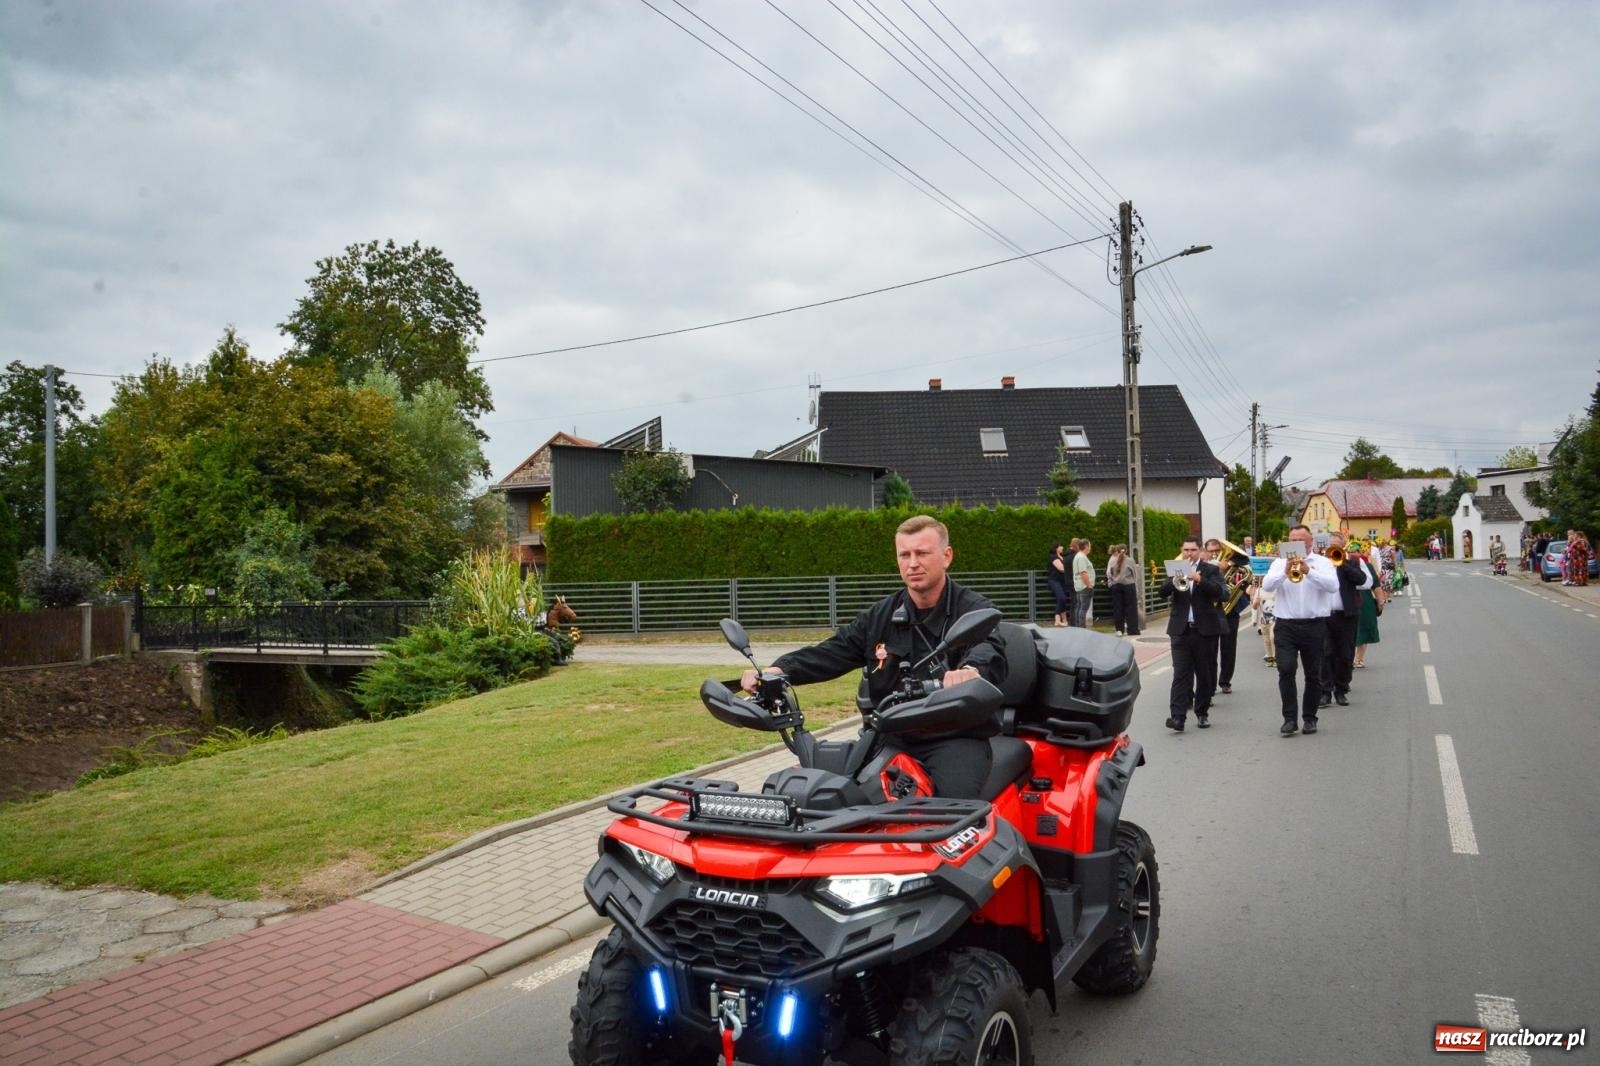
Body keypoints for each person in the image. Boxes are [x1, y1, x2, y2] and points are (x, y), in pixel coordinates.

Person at [741, 514, 1007, 798]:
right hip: (891, 735)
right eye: (904, 554)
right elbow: (834, 651)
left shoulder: (973, 610)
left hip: (954, 738)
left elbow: (988, 648)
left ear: (946, 556)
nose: (913, 563)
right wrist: (780, 670)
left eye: (922, 553)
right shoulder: (882, 616)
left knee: (953, 809)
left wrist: (969, 670)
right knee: (840, 795)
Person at [1262, 525, 1339, 736]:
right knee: (1285, 670)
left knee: (1313, 675)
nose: (1296, 544)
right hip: (1286, 625)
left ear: (1310, 542)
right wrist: (1285, 572)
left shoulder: (1322, 563)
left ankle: (1310, 718)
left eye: (1301, 540)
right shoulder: (1279, 563)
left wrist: (1308, 571)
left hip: (1314, 625)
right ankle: (1289, 719)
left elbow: (1333, 586)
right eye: (1292, 540)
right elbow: (1268, 586)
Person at [1157, 538, 1226, 732]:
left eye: (1193, 549)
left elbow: (1222, 593)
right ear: (1182, 550)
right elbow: (1162, 592)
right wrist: (1173, 581)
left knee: (1204, 674)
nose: (1189, 553)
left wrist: (1200, 580)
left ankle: (1202, 712)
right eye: (1186, 549)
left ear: (1200, 551)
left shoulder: (1210, 570)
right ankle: (1177, 717)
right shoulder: (1175, 568)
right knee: (1180, 674)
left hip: (1204, 629)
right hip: (1180, 629)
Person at [1317, 532, 1372, 710]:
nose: (1333, 549)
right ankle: (1325, 691)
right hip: (1324, 615)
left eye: (1336, 546)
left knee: (1345, 654)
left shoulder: (1354, 561)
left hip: (1347, 615)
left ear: (1343, 546)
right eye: (1330, 546)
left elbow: (1364, 581)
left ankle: (1341, 689)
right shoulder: (1320, 563)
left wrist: (1343, 565)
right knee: (1326, 653)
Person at [1208, 540, 1249, 695]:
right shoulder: (1204, 565)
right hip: (1210, 612)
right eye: (1210, 551)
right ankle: (1210, 684)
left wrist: (1229, 562)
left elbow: (1245, 560)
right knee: (1210, 651)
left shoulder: (1232, 562)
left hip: (1230, 610)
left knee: (1229, 648)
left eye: (1217, 550)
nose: (1214, 553)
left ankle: (1225, 681)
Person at [1353, 545, 1384, 668]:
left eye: (1354, 551)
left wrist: (1380, 601)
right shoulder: (1342, 566)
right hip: (1349, 600)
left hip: (1365, 600)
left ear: (1360, 552)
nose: (1351, 554)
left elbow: (1376, 585)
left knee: (1363, 629)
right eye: (1349, 551)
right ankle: (1348, 658)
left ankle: (1359, 658)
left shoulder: (1367, 567)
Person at [1106, 543, 1141, 636]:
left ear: (1116, 550)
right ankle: (1132, 630)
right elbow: (1135, 574)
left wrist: (1112, 581)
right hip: (1128, 585)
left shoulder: (1112, 560)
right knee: (1131, 608)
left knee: (1118, 608)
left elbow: (1109, 573)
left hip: (1116, 586)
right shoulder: (1130, 560)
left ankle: (1119, 629)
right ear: (1126, 550)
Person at [1251, 578, 1276, 667]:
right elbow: (1254, 607)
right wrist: (1256, 602)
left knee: (1273, 637)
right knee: (1266, 640)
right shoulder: (1259, 591)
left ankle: (1275, 657)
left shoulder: (1276, 590)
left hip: (1275, 619)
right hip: (1263, 619)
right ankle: (1270, 659)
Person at [1070, 539, 1096, 628]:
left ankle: (1078, 628)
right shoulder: (1081, 557)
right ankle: (1081, 628)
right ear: (1086, 546)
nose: (1090, 548)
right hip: (1084, 586)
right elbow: (1083, 572)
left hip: (1079, 586)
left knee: (1079, 607)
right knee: (1083, 608)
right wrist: (1089, 585)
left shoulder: (1078, 556)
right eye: (1090, 546)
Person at [1046, 542, 1070, 626]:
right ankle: (1057, 619)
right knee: (1061, 598)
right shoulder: (1053, 557)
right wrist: (1072, 570)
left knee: (1062, 600)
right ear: (1056, 548)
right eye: (1061, 546)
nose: (1062, 547)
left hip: (1062, 581)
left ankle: (1064, 620)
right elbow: (1061, 568)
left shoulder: (1062, 557)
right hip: (1054, 581)